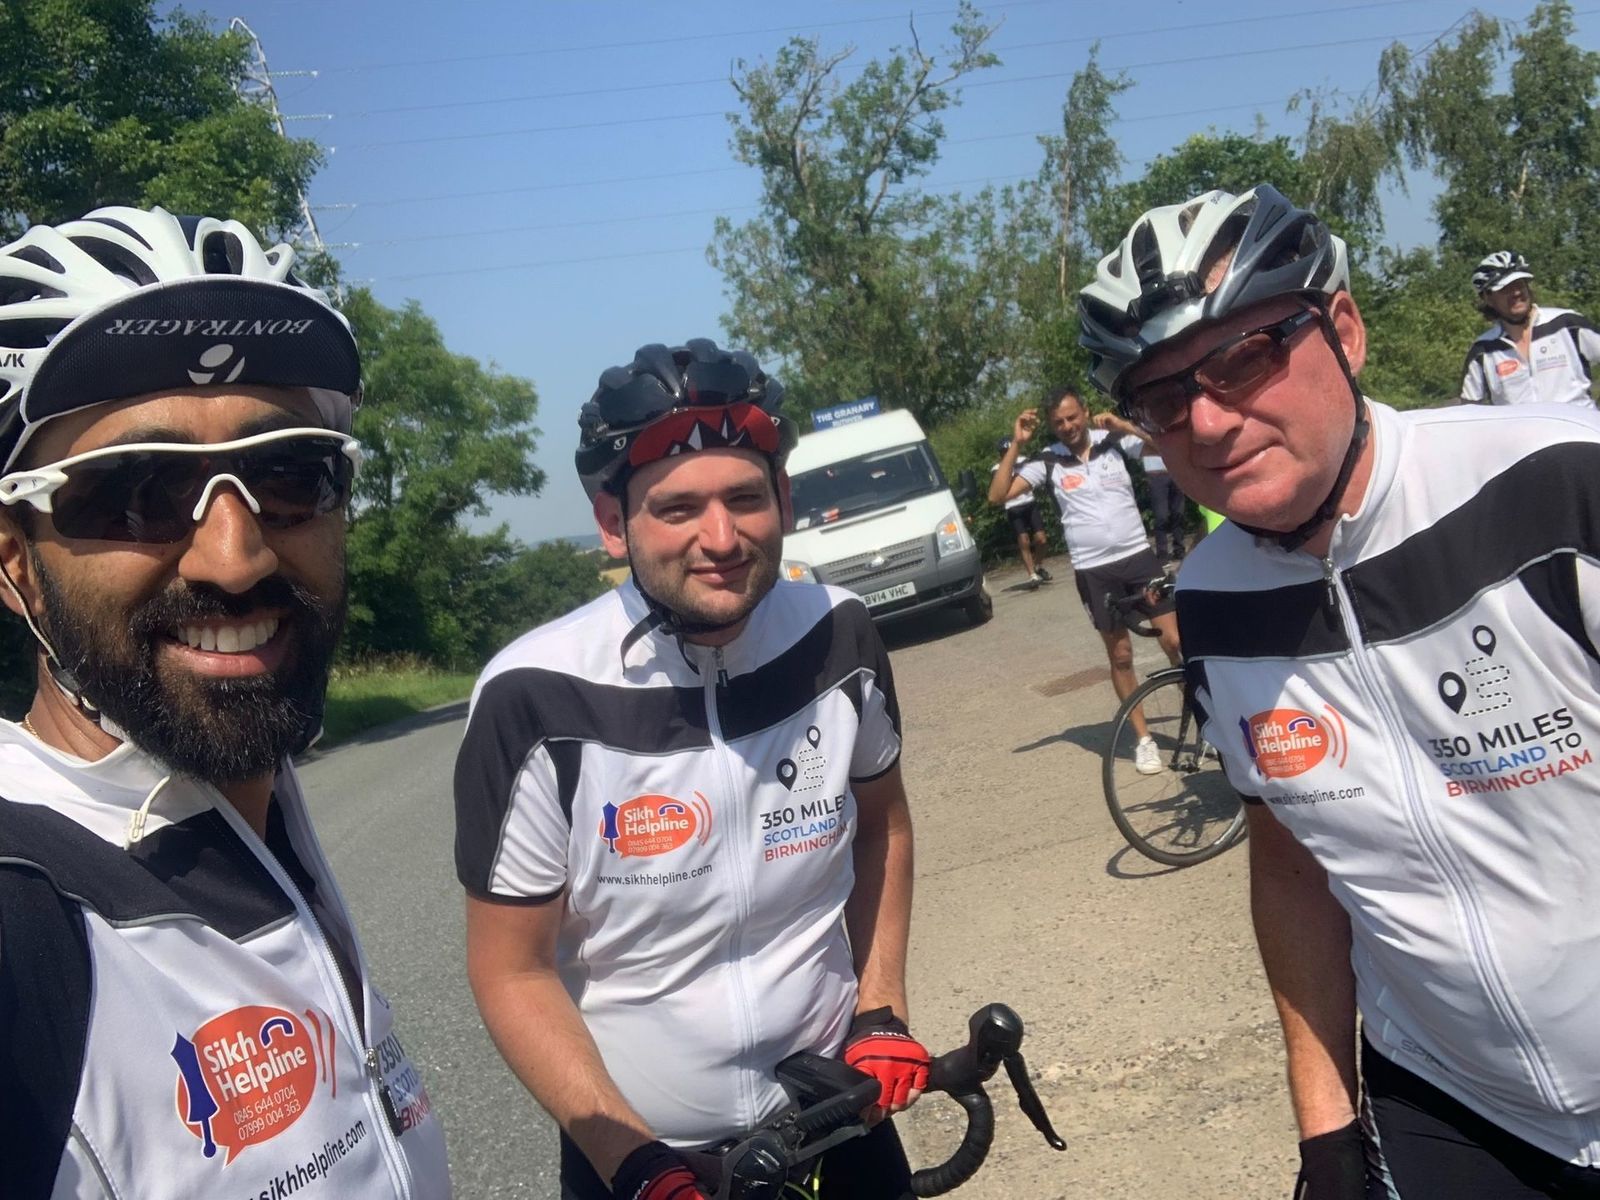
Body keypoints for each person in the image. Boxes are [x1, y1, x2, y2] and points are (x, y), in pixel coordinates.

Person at [1081, 183, 1600, 1198]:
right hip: (1452, 1104)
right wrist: (1324, 1132)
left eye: (1244, 357)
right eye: (1162, 397)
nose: (1208, 419)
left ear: (1346, 331)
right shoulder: (1212, 601)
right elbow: (1290, 865)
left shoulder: (1555, 484)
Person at [0, 207, 449, 1197]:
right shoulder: (24, 911)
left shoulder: (254, 799)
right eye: (135, 491)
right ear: (14, 560)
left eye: (288, 475)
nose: (235, 560)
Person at [453, 339, 925, 1200]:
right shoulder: (534, 695)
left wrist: (881, 1007)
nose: (721, 538)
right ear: (613, 523)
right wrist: (632, 1162)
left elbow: (882, 827)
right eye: (677, 508)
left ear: (783, 499)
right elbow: (511, 968)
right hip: (643, 1157)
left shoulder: (840, 634)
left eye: (745, 498)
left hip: (836, 1115)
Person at [989, 388, 1181, 775]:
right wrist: (1017, 443)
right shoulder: (1048, 460)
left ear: (1085, 412)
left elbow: (1167, 447)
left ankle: (1208, 720)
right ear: (1051, 426)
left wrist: (1125, 425)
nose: (1067, 426)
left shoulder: (1114, 441)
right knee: (1120, 656)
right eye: (1058, 422)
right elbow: (998, 495)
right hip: (1094, 570)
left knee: (1175, 642)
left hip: (1138, 558)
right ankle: (1144, 740)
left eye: (1072, 417)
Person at [1459, 251, 1600, 407]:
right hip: (1519, 424)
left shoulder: (1567, 324)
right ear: (1487, 298)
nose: (1516, 292)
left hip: (1576, 422)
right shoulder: (1483, 350)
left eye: (1520, 284)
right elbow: (1469, 408)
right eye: (1505, 288)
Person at [990, 435, 1052, 585]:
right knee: (1024, 540)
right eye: (1004, 451)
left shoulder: (1024, 461)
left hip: (1029, 503)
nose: (1007, 453)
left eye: (1010, 450)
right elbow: (1002, 488)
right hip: (1013, 507)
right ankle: (1032, 574)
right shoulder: (997, 469)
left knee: (1042, 539)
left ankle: (1038, 565)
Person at [1141, 449, 1190, 564]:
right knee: (1161, 516)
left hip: (1175, 471)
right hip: (1155, 473)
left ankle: (1179, 549)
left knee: (1178, 513)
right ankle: (1162, 553)